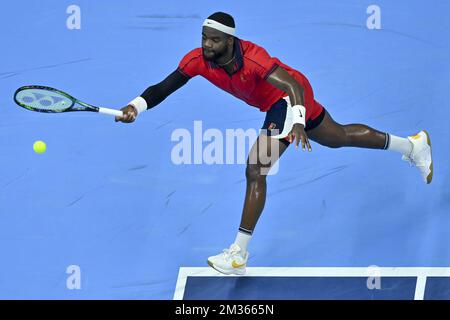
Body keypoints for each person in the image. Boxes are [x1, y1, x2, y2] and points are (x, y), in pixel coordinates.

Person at [116, 12, 433, 275]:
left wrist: (295, 119)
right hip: (279, 103)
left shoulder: (254, 59)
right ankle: (413, 146)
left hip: (288, 97)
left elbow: (292, 85)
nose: (207, 44)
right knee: (338, 137)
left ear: (230, 40)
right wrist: (136, 106)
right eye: (204, 37)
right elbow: (162, 87)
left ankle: (238, 254)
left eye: (214, 39)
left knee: (256, 168)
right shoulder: (197, 60)